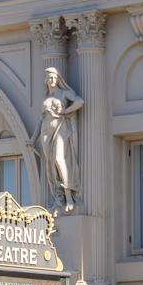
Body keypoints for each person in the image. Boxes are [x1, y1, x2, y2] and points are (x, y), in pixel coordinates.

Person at [34, 65, 83, 213]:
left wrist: (65, 112)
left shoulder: (63, 93)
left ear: (58, 79)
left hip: (61, 128)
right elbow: (41, 120)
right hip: (45, 132)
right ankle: (58, 199)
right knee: (51, 166)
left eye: (54, 77)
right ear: (46, 80)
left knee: (58, 160)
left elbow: (79, 102)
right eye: (49, 77)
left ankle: (69, 197)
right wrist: (32, 138)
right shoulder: (46, 97)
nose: (52, 80)